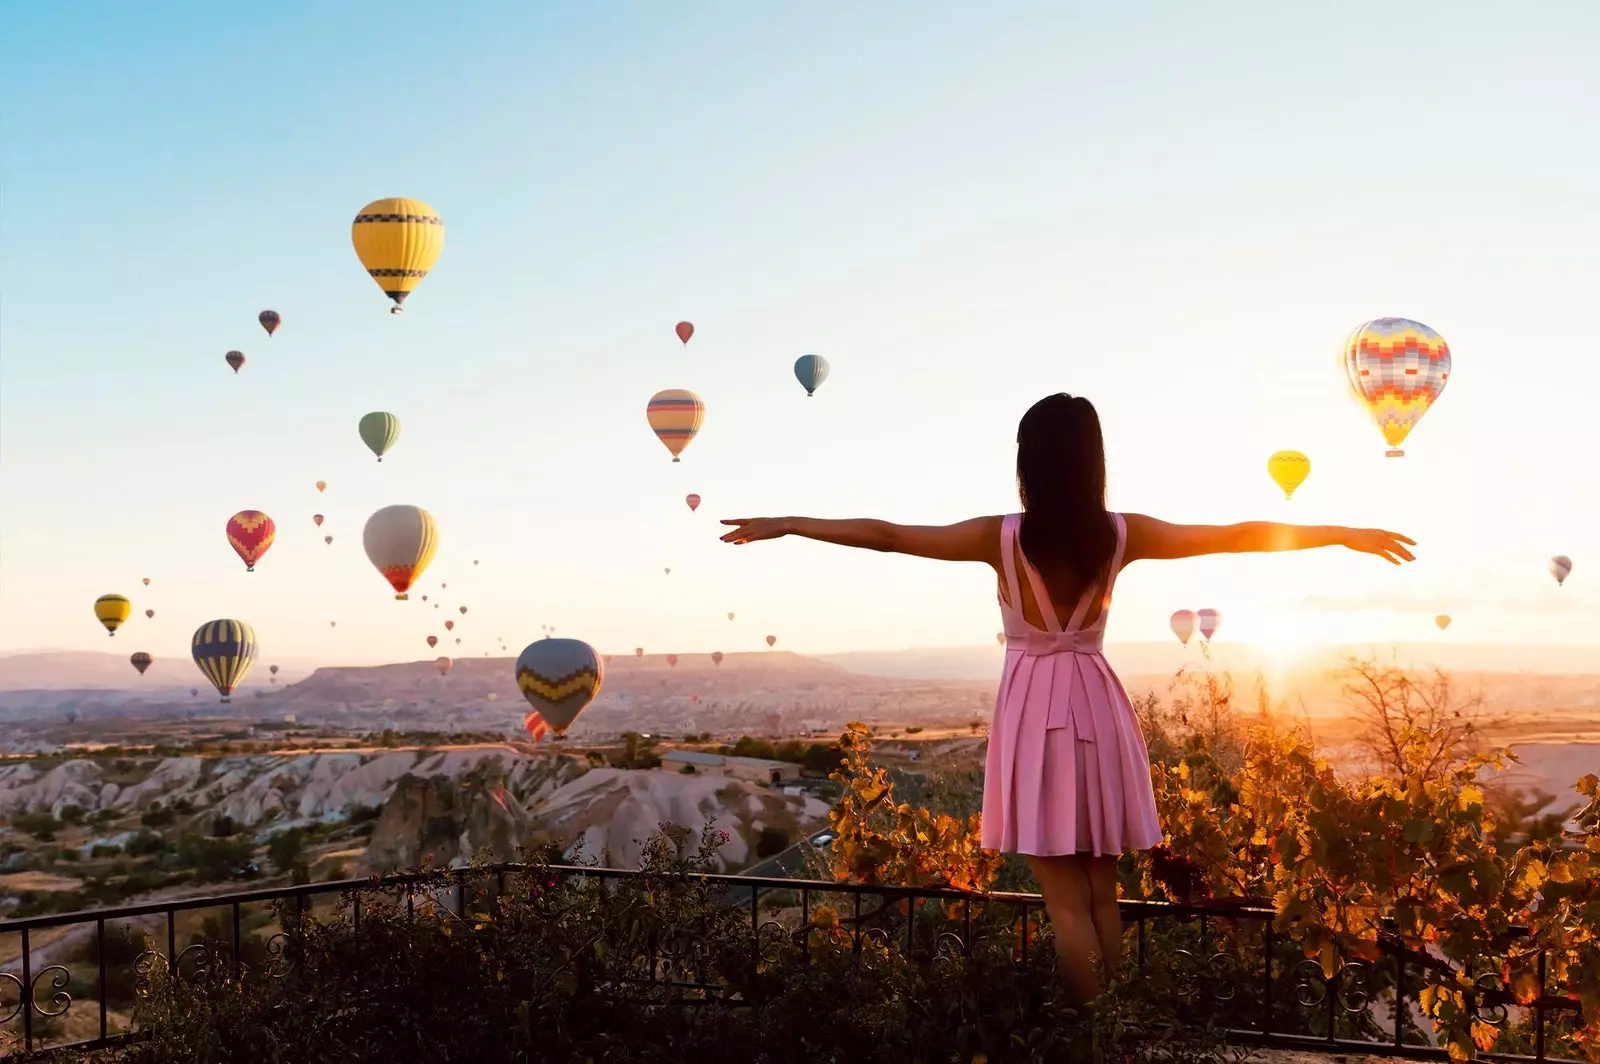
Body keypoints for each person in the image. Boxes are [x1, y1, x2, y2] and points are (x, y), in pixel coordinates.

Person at [719, 392, 1416, 1003]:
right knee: (1101, 891)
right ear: (1093, 460)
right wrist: (1341, 535)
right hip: (1098, 703)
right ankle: (1118, 1025)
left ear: (1030, 462)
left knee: (1062, 902)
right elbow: (1235, 537)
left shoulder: (1003, 537)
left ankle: (1092, 1035)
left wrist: (792, 523)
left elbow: (892, 537)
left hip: (1034, 711)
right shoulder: (1121, 533)